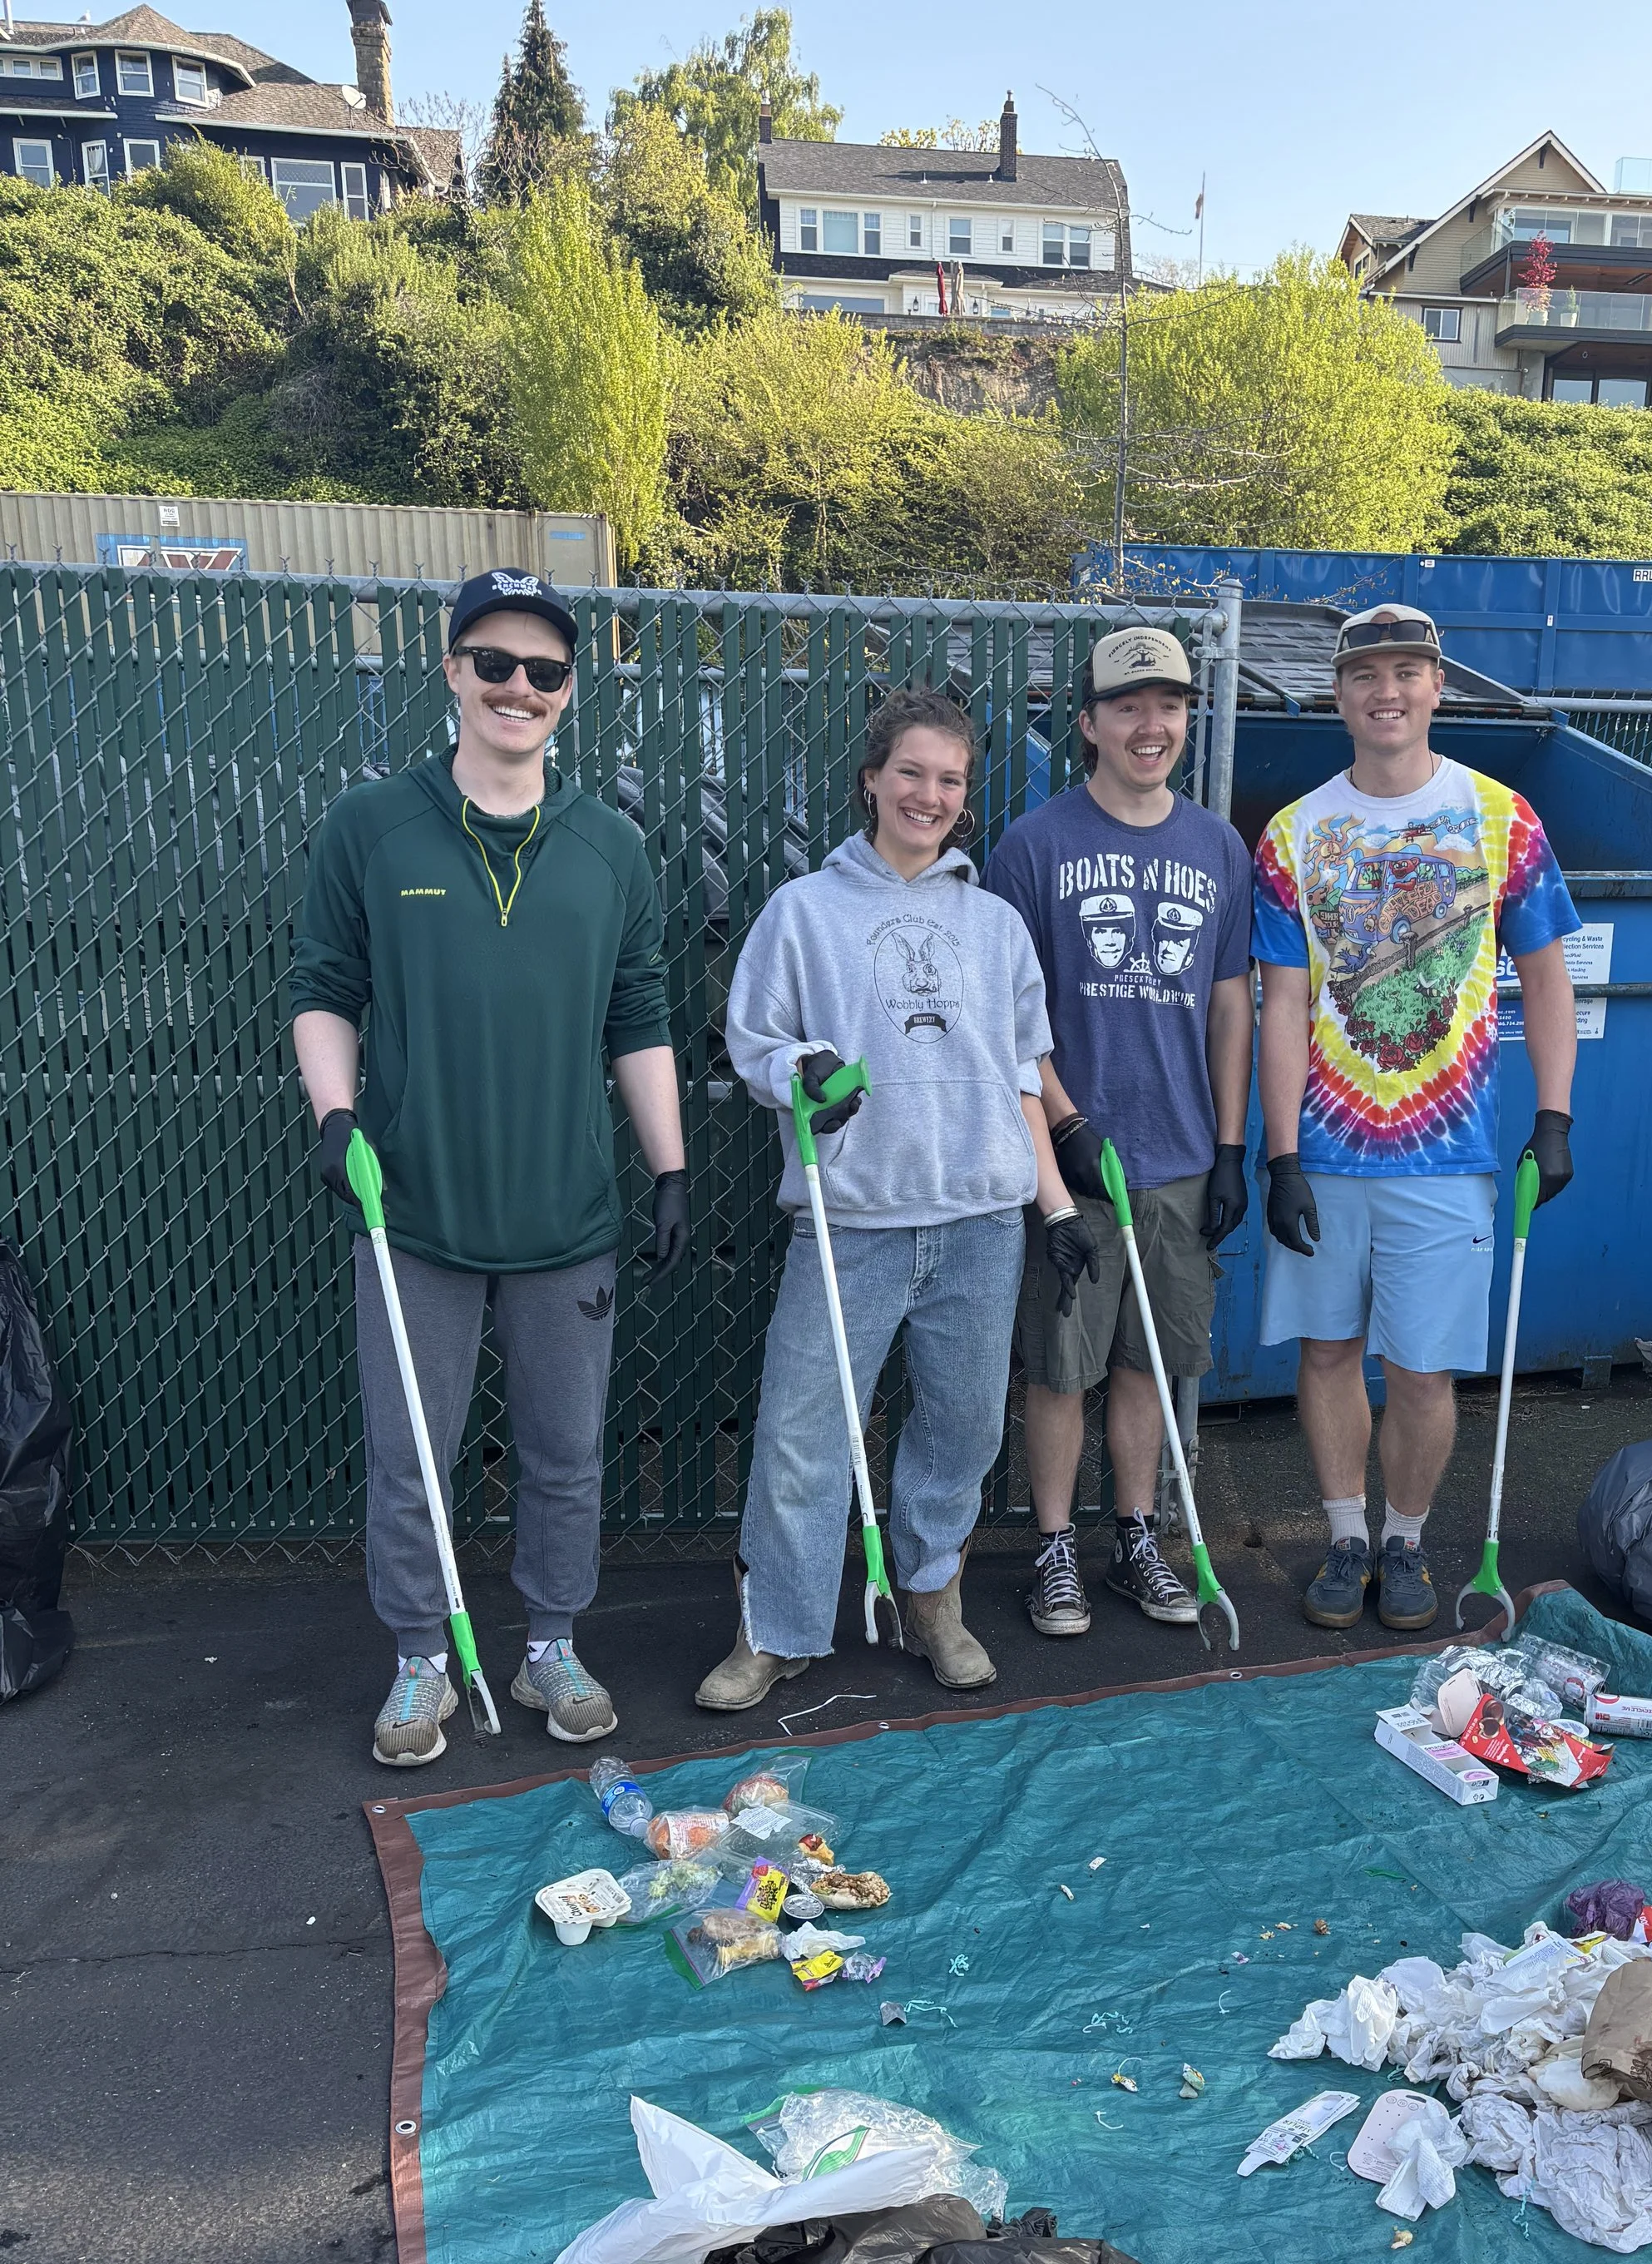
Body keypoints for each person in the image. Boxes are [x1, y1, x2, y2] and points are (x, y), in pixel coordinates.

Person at [289, 567, 689, 1767]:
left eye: (546, 670)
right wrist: (336, 1117)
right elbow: (323, 990)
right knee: (412, 1451)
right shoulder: (373, 826)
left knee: (568, 1454)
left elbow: (640, 1014)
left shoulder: (611, 847)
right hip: (410, 1207)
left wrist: (669, 1169)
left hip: (568, 1214)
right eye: (497, 663)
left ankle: (550, 1644)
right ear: (454, 670)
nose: (521, 687)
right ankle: (420, 1660)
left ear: (570, 691)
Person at [697, 686, 1098, 1712]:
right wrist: (802, 1067)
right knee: (802, 1432)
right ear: (870, 779)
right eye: (910, 772)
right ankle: (777, 1632)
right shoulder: (803, 913)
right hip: (852, 1221)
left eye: (950, 780)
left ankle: (932, 1602)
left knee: (961, 1431)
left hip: (976, 1222)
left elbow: (1020, 1066)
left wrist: (1051, 1205)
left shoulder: (997, 925)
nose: (928, 794)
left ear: (966, 799)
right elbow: (753, 1041)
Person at [1252, 603, 1579, 1632]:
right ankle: (1343, 1536)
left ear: (1437, 686)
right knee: (1326, 1351)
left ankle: (1406, 1540)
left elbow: (1547, 978)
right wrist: (1280, 1156)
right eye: (1364, 675)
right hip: (1329, 1151)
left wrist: (1556, 1116)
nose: (1384, 692)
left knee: (1426, 1367)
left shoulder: (1501, 817)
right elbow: (1285, 1003)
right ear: (1337, 695)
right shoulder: (1292, 835)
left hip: (1448, 1154)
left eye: (1405, 672)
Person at [984, 625, 1253, 1636]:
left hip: (1180, 1158)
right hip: (1075, 1162)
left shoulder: (1216, 845)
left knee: (1149, 1362)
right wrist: (1065, 1125)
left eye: (1171, 706)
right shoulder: (1034, 845)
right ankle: (1054, 1548)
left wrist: (1230, 1146)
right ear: (1089, 724)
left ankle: (1135, 1538)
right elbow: (1012, 1015)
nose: (1153, 725)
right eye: (1130, 707)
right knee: (1062, 1367)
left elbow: (1231, 1004)